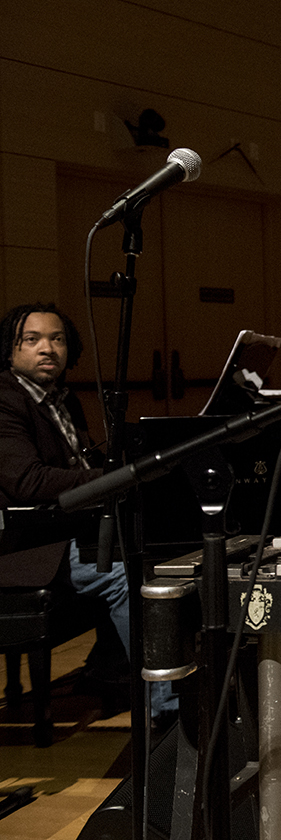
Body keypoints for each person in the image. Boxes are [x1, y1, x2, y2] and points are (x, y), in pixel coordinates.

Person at [0, 302, 174, 720]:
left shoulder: (62, 399)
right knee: (126, 575)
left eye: (57, 339)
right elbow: (28, 482)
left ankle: (112, 668)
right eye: (33, 339)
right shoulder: (5, 399)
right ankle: (167, 708)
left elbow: (74, 469)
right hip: (25, 546)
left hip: (64, 532)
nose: (47, 348)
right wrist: (105, 480)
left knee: (159, 549)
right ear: (10, 349)